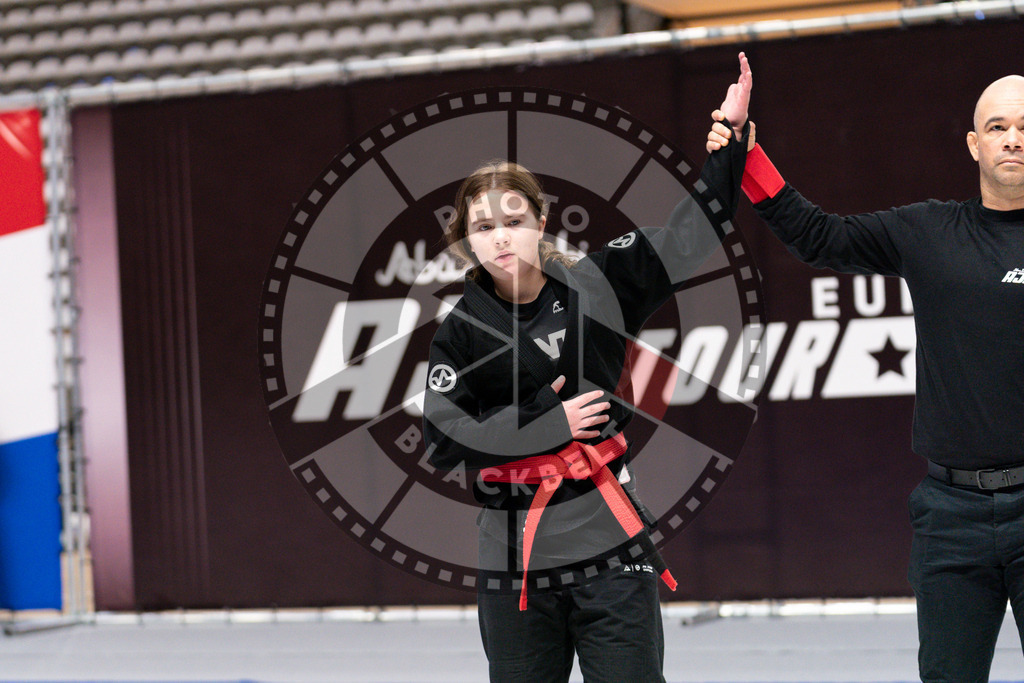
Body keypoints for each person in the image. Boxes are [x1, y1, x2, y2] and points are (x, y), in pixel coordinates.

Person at [706, 52, 1024, 682]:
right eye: (998, 127)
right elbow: (818, 236)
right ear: (973, 144)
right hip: (950, 515)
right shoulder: (929, 231)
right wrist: (744, 150)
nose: (1014, 139)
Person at [421, 150, 744, 682]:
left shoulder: (598, 285)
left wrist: (728, 149)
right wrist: (548, 420)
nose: (500, 237)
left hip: (608, 543)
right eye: (484, 226)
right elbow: (443, 439)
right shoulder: (460, 334)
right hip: (515, 555)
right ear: (467, 241)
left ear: (541, 223)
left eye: (514, 221)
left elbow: (691, 238)